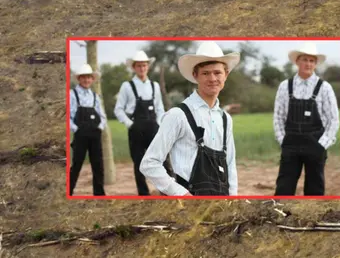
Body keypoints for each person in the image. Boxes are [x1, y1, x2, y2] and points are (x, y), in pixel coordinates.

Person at [140, 42, 238, 196]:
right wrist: (180, 194)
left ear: (226, 74)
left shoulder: (226, 119)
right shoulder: (178, 115)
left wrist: (233, 199)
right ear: (195, 75)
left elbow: (230, 165)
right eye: (205, 73)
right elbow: (149, 163)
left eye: (217, 73)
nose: (212, 78)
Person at [273, 43, 340, 196]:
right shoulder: (285, 86)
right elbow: (278, 116)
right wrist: (282, 140)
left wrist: (322, 144)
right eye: (304, 60)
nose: (308, 64)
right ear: (297, 61)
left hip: (315, 143)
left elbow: (333, 120)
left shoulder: (324, 87)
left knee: (315, 188)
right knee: (284, 187)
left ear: (315, 64)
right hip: (291, 144)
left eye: (311, 60)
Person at [114, 50, 165, 195]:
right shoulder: (127, 86)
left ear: (148, 66)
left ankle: (164, 191)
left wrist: (159, 123)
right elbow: (118, 110)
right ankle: (143, 193)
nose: (142, 68)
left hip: (153, 127)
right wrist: (130, 124)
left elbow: (160, 108)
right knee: (139, 163)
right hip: (136, 128)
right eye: (139, 66)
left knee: (159, 160)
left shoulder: (154, 86)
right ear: (134, 68)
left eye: (144, 65)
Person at [69, 64, 106, 196]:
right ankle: (69, 191)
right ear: (79, 79)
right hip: (80, 135)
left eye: (89, 78)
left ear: (92, 79)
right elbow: (68, 116)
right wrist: (76, 129)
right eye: (84, 77)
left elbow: (102, 116)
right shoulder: (72, 95)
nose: (86, 80)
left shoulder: (95, 96)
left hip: (95, 135)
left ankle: (99, 193)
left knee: (98, 165)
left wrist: (100, 128)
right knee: (77, 164)